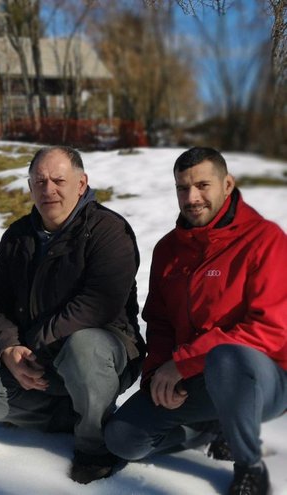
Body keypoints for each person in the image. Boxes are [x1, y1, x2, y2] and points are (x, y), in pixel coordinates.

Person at [104, 147, 287, 495]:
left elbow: (270, 331)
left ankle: (249, 466)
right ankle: (211, 427)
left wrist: (183, 363)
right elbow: (159, 322)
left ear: (227, 184)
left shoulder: (266, 240)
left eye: (203, 185)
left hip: (264, 380)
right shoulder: (168, 250)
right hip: (194, 377)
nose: (192, 198)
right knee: (122, 439)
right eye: (182, 188)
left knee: (227, 358)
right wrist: (157, 373)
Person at [0, 146, 146, 484]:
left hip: (103, 353)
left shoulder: (108, 231)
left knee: (83, 347)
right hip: (37, 361)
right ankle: (79, 411)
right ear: (30, 186)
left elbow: (97, 305)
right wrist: (8, 350)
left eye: (59, 180)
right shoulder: (17, 237)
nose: (49, 189)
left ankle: (94, 444)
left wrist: (33, 346)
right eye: (39, 181)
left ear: (81, 183)